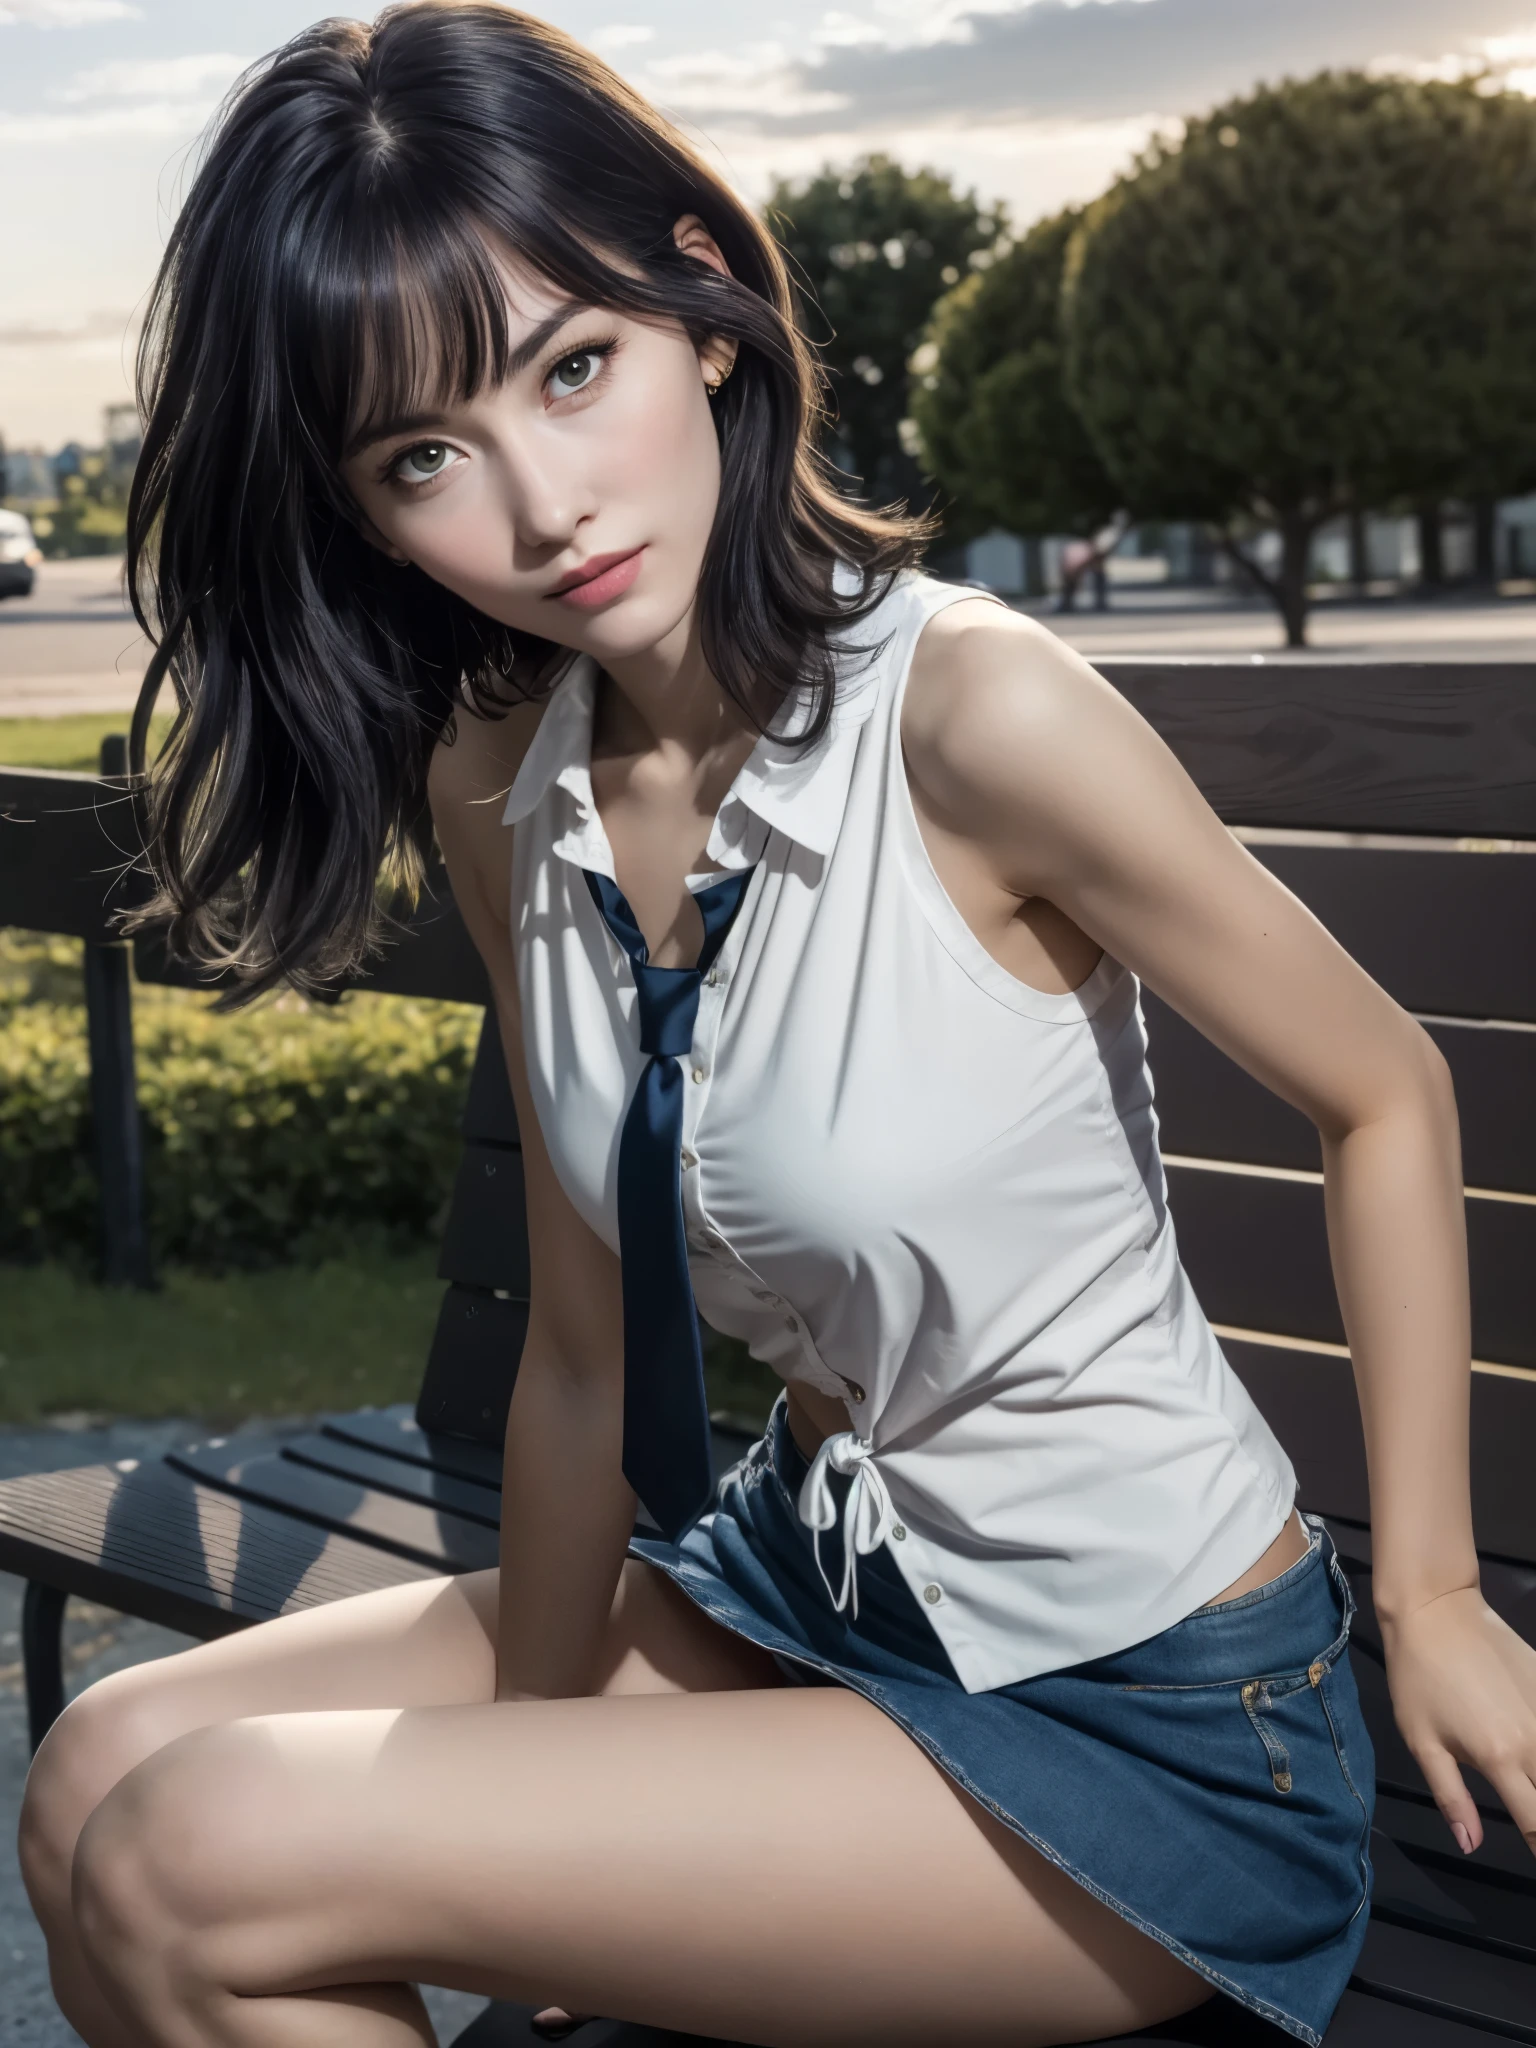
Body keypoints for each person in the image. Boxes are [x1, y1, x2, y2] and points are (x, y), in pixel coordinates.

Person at [17, 6, 1536, 2045]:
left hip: (1143, 1717)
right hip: (805, 1601)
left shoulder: (974, 714)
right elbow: (575, 1363)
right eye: (427, 456)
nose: (547, 504)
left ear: (703, 309)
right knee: (103, 1776)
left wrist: (1431, 1600)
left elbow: (1384, 1086)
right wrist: (524, 1809)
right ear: (370, 514)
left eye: (578, 367)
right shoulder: (500, 771)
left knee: (202, 1851)